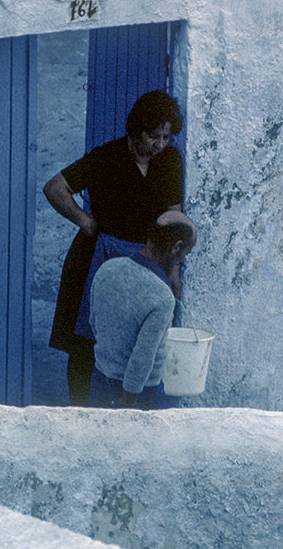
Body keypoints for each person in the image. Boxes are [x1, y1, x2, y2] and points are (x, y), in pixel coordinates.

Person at [44, 89, 184, 406]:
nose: (160, 144)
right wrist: (87, 222)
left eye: (166, 136)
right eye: (153, 136)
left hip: (148, 262)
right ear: (136, 129)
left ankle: (130, 413)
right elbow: (55, 188)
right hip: (99, 260)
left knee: (142, 341)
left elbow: (174, 216)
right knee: (88, 342)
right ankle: (80, 414)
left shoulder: (171, 161)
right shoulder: (106, 157)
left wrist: (173, 269)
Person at [88, 211, 197, 410]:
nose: (182, 261)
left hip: (99, 380)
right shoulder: (161, 296)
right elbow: (143, 356)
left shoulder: (106, 269)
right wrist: (129, 400)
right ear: (177, 247)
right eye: (185, 254)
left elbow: (94, 324)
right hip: (139, 393)